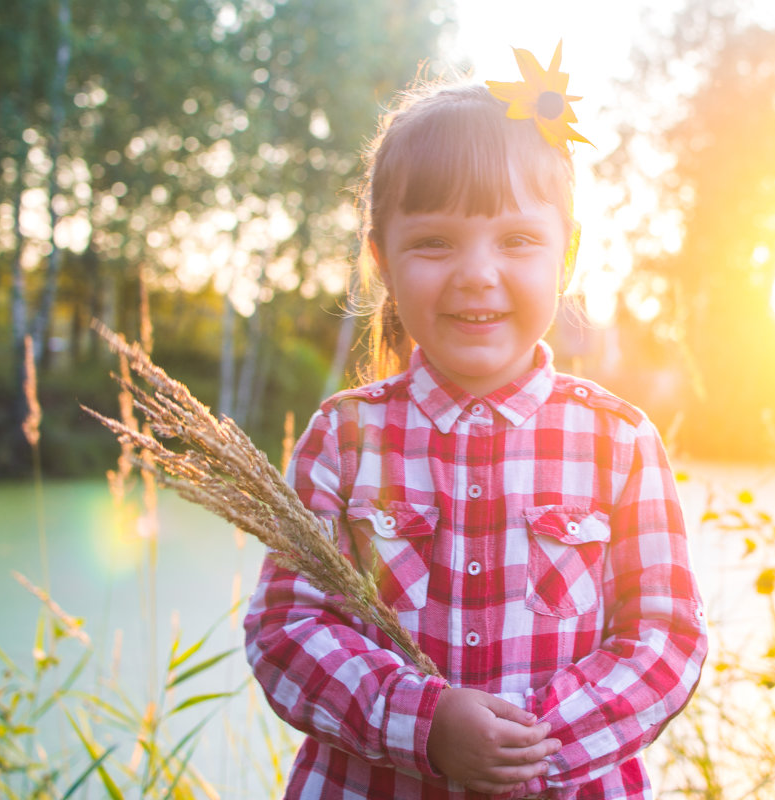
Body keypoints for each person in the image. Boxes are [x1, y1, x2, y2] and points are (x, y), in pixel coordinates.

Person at [244, 42, 708, 800]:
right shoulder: (342, 439)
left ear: (567, 256)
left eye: (518, 240)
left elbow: (666, 639)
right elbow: (286, 630)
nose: (477, 274)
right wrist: (424, 724)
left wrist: (528, 742)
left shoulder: (619, 443)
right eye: (433, 242)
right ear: (382, 261)